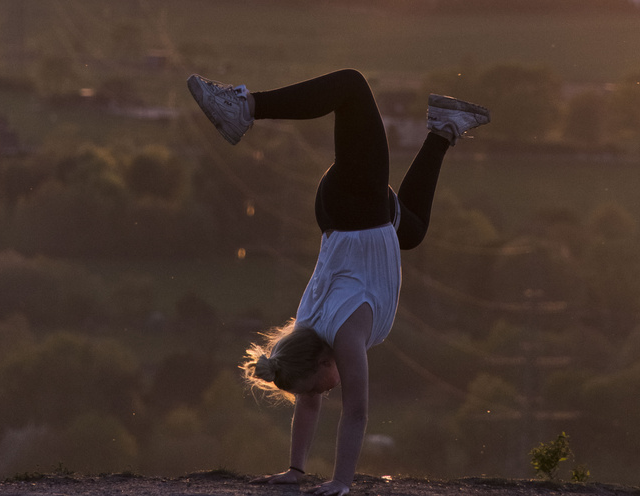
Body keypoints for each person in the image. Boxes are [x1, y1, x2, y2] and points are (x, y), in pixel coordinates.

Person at [187, 68, 489, 495]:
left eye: (312, 388)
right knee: (413, 232)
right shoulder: (305, 340)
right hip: (347, 216)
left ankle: (243, 107)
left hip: (356, 208)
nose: (315, 397)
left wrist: (342, 482)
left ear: (320, 364)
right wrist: (295, 469)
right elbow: (309, 401)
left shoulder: (345, 336)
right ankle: (443, 127)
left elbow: (358, 413)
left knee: (351, 85)